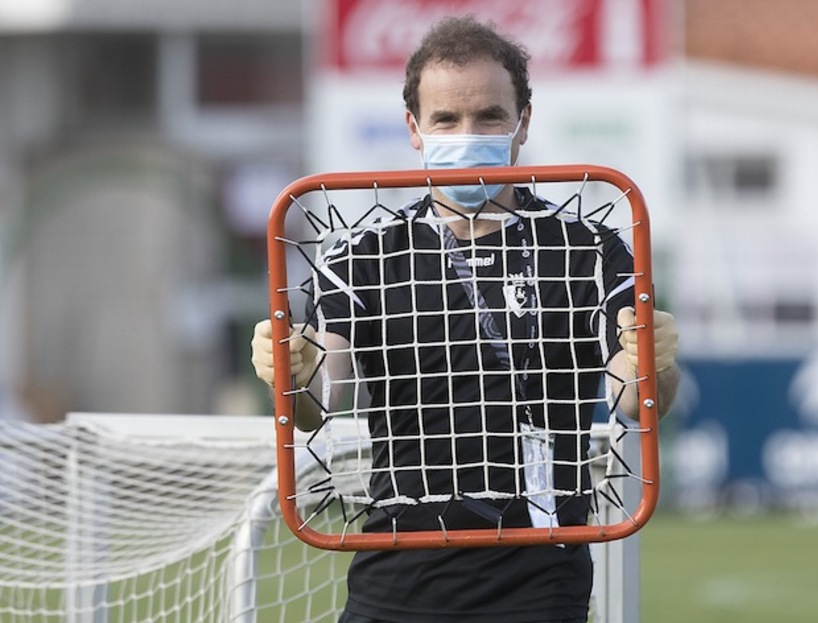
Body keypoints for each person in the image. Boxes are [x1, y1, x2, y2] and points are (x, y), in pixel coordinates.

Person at [251, 15, 680, 623]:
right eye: (446, 120)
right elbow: (326, 396)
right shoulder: (360, 254)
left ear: (523, 123)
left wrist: (652, 363)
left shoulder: (590, 248)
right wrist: (289, 370)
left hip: (541, 578)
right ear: (414, 129)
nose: (467, 134)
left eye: (489, 117)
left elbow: (637, 400)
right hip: (395, 571)